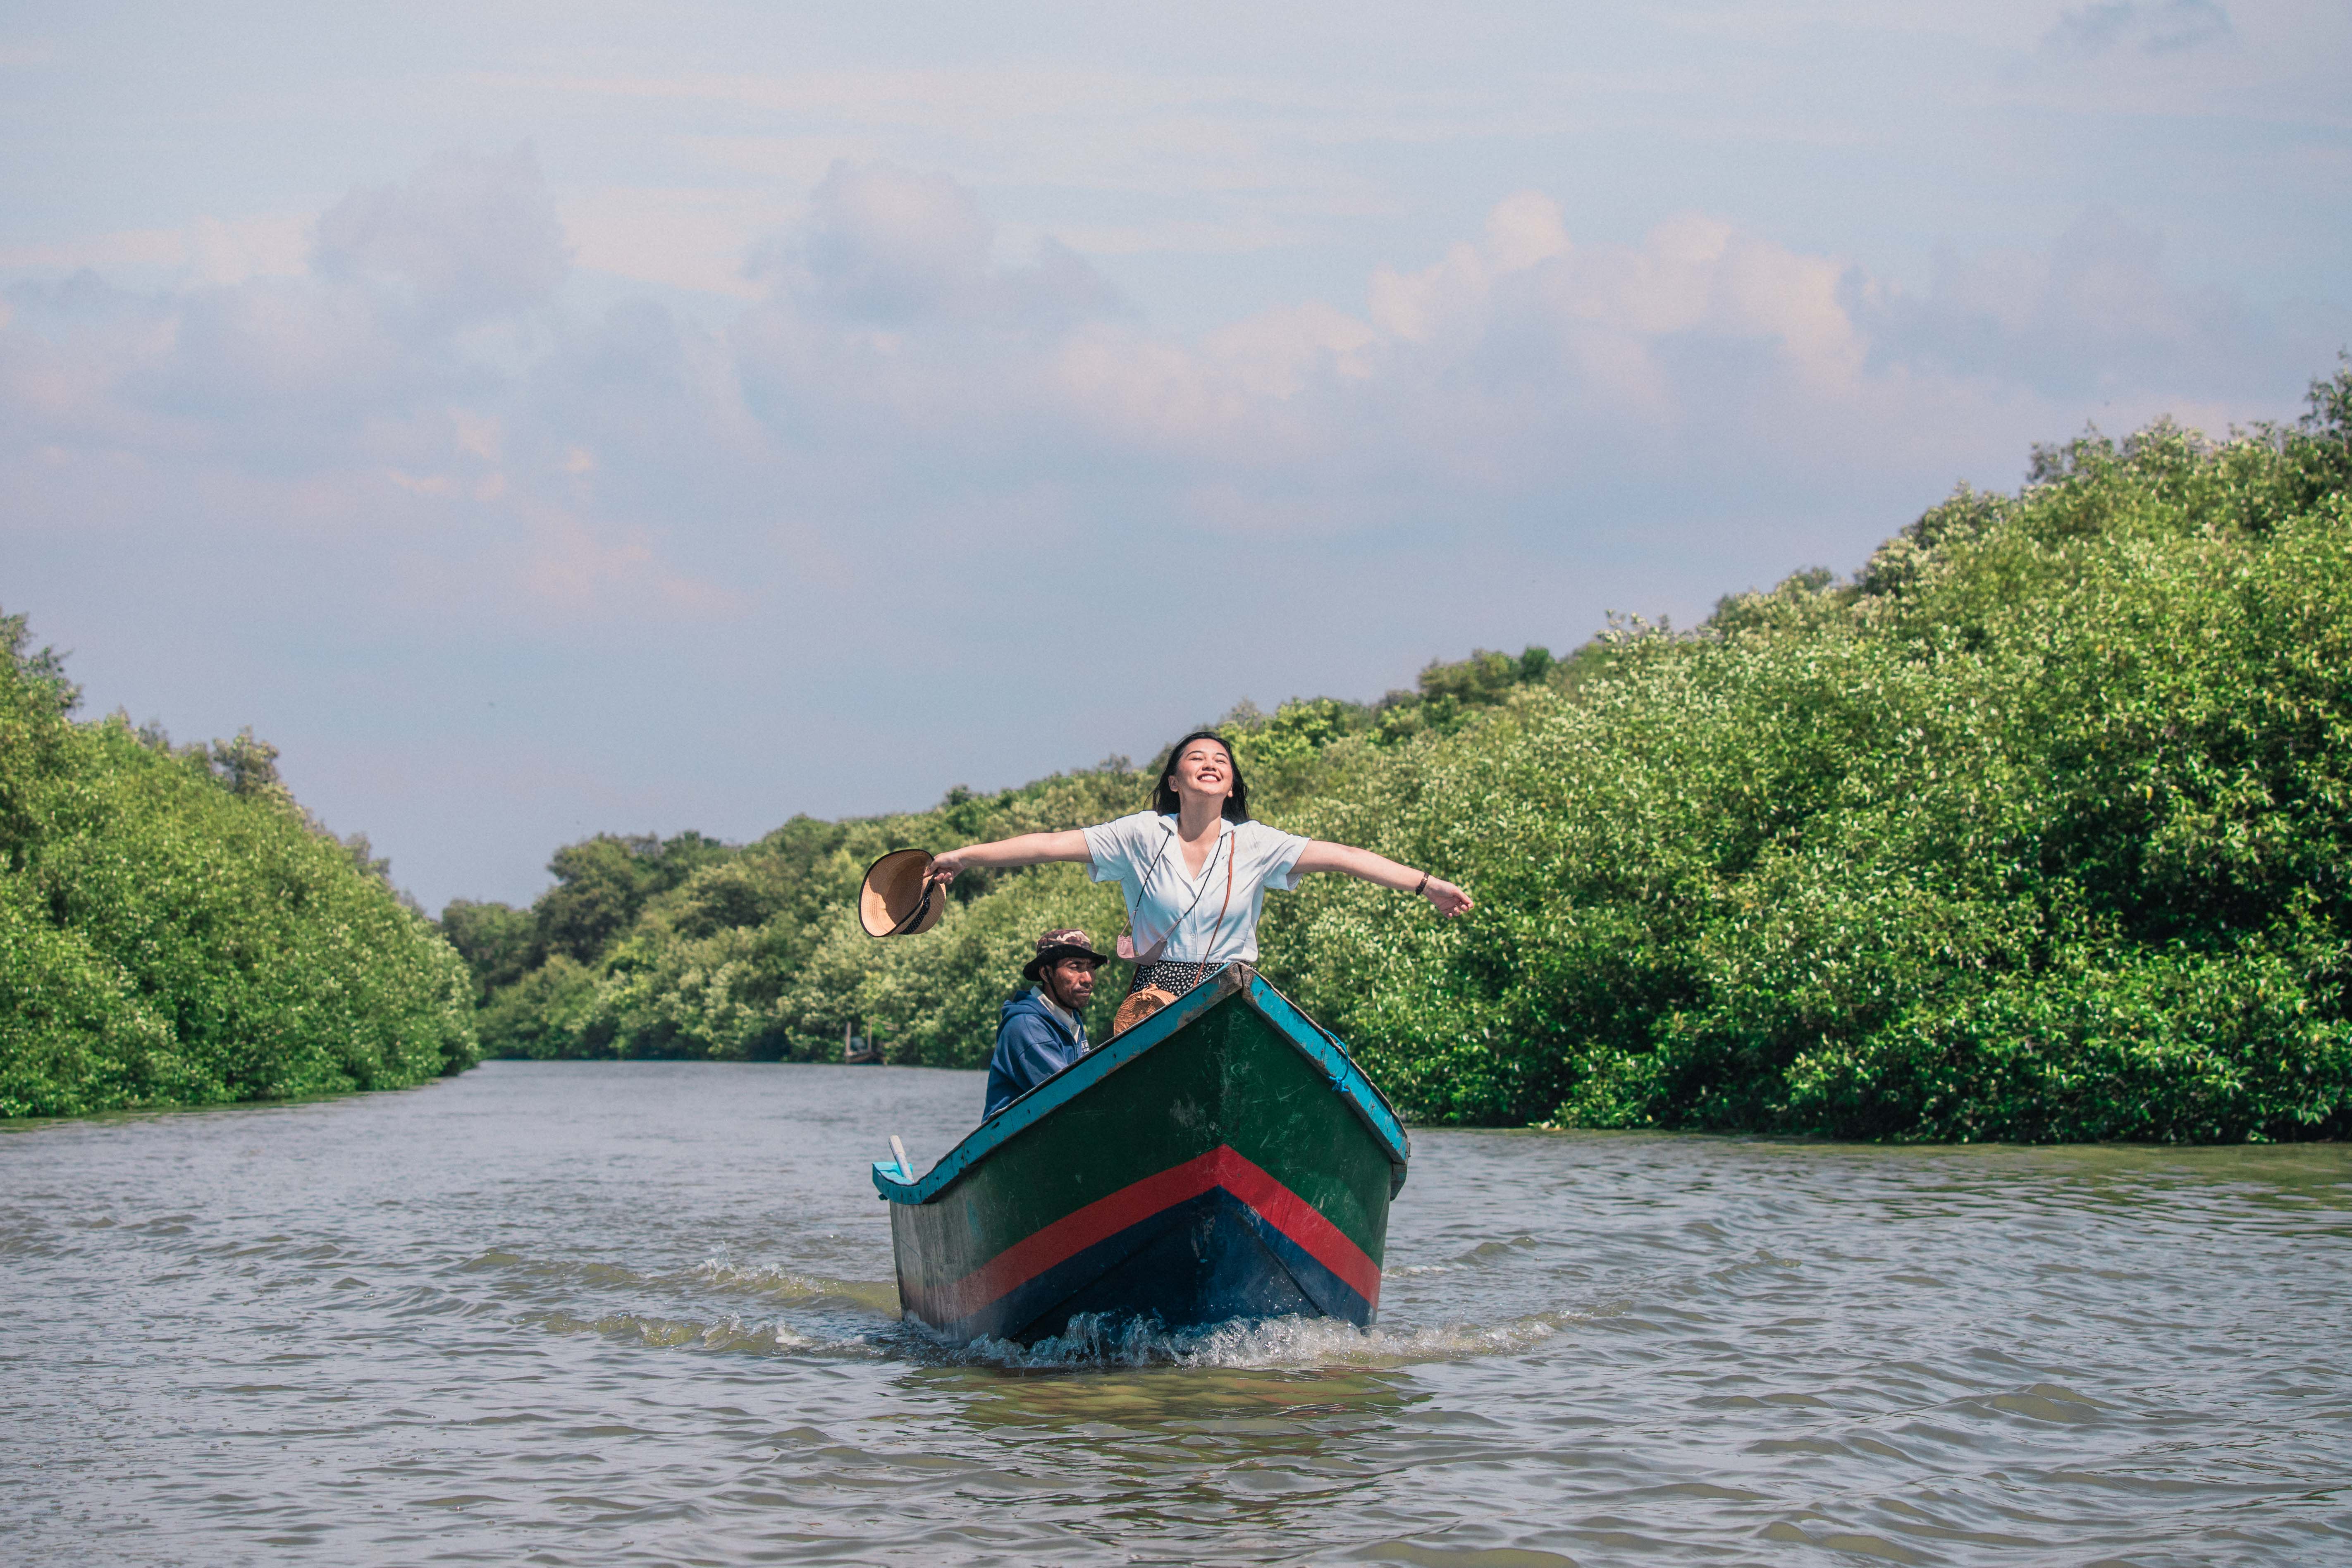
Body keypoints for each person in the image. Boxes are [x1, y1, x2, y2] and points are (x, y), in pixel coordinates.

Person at [931, 730, 1473, 1021]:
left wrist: (1429, 887)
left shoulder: (1257, 842)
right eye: (1196, 757)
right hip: (1155, 993)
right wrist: (965, 856)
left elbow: (1344, 856)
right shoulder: (1139, 835)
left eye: (1221, 759)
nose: (1210, 762)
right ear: (1174, 779)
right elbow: (1048, 845)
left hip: (1234, 987)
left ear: (1232, 785)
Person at [983, 928, 1111, 1117]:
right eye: (1075, 967)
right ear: (1046, 973)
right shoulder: (1026, 1026)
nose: (1087, 979)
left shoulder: (1070, 1018)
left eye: (1091, 967)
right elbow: (1071, 1095)